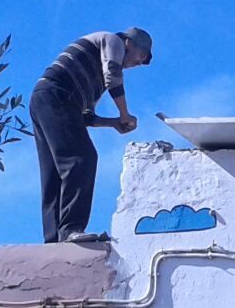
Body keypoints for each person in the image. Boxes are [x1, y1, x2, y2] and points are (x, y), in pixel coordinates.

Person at [29, 28, 152, 242]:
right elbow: (113, 74)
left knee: (55, 173)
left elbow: (85, 117)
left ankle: (53, 239)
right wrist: (124, 114)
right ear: (129, 43)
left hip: (47, 99)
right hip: (58, 95)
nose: (138, 63)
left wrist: (113, 123)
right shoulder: (112, 40)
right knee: (81, 159)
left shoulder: (93, 80)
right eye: (141, 56)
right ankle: (70, 229)